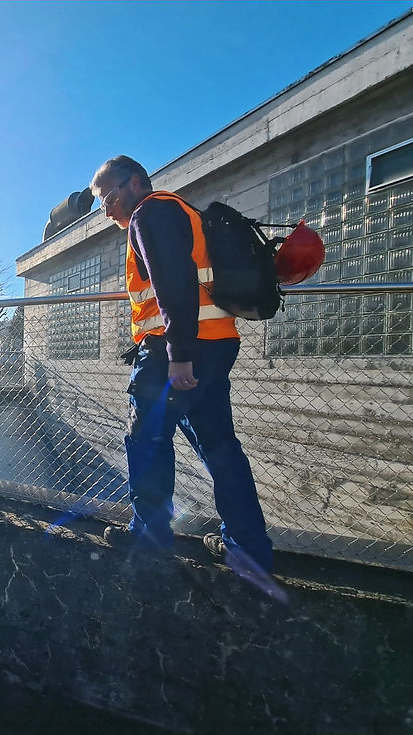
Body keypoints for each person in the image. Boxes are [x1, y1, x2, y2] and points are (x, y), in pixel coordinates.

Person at [91, 155, 273, 572]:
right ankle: (246, 546)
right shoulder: (181, 211)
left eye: (110, 196)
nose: (107, 209)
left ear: (135, 183)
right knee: (220, 447)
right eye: (102, 203)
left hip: (172, 356)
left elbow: (174, 282)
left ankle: (151, 534)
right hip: (214, 344)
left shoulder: (149, 213)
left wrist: (178, 356)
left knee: (146, 441)